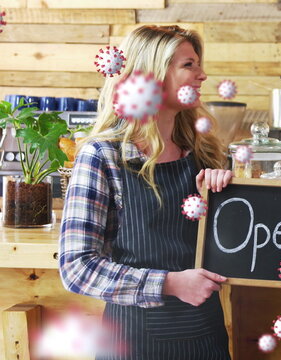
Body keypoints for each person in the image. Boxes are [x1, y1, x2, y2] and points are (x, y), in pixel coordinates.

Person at [59, 25, 233, 360]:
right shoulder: (102, 156)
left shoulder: (206, 154)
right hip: (132, 343)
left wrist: (227, 197)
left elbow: (237, 251)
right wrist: (169, 284)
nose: (202, 75)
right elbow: (76, 267)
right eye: (189, 65)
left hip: (205, 338)